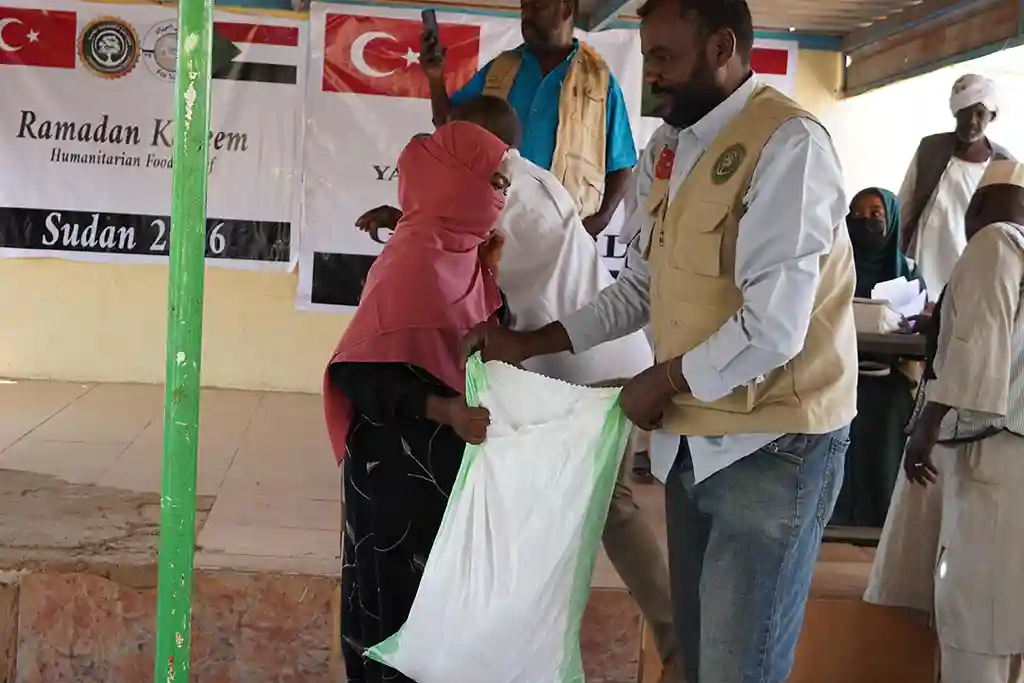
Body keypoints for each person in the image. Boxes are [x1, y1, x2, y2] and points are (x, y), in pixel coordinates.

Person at [460, 0, 858, 680]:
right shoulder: (668, 149)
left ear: (722, 48)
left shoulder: (789, 146)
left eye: (665, 58)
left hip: (773, 447)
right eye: (648, 56)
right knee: (698, 663)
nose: (651, 74)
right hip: (691, 443)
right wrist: (525, 344)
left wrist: (663, 378)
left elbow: (774, 326)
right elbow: (640, 290)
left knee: (737, 670)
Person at [356, 95, 679, 682]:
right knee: (580, 506)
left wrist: (404, 219)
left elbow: (453, 230)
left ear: (486, 145)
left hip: (584, 366)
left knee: (604, 509)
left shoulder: (508, 197)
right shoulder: (531, 182)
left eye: (459, 142)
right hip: (592, 357)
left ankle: (670, 638)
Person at [323, 121, 511, 683]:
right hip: (396, 476)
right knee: (396, 609)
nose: (501, 194)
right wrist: (444, 411)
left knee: (441, 611)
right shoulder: (413, 260)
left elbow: (479, 344)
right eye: (493, 180)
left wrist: (493, 271)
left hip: (445, 466)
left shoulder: (467, 253)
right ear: (454, 184)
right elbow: (360, 375)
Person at [901, 160, 1024, 683]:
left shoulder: (996, 241)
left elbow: (979, 343)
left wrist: (927, 422)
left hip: (995, 452)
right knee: (1009, 620)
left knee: (974, 611)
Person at [420, 0, 636, 237]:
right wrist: (435, 78)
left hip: (561, 233)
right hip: (494, 228)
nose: (527, 15)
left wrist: (601, 219)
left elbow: (621, 164)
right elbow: (448, 126)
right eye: (524, 7)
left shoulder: (600, 82)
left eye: (538, 6)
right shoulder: (501, 68)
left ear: (566, 9)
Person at [830, 188, 919, 527]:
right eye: (856, 214)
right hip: (836, 372)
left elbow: (915, 327)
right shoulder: (834, 266)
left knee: (893, 405)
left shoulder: (906, 271)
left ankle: (880, 520)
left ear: (891, 219)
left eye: (875, 214)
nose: (864, 220)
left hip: (887, 375)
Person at [898, 73, 1015, 298]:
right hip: (925, 252)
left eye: (979, 113)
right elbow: (907, 199)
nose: (972, 121)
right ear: (955, 113)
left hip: (970, 258)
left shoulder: (1004, 163)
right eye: (965, 112)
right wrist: (899, 245)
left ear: (991, 116)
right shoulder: (931, 148)